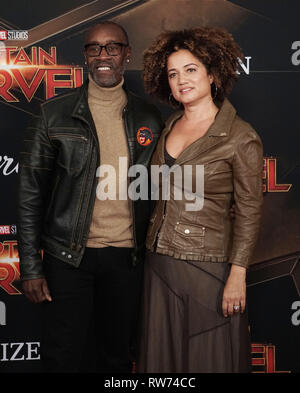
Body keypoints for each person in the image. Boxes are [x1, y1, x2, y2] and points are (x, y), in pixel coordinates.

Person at [17, 21, 163, 373]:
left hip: (126, 259)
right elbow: (30, 193)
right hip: (68, 257)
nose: (103, 55)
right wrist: (31, 266)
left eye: (112, 47)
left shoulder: (150, 116)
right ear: (85, 56)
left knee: (115, 357)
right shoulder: (53, 114)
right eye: (94, 48)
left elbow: (159, 188)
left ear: (127, 54)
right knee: (64, 356)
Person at [138, 27, 264, 373]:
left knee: (210, 359)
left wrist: (237, 276)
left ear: (212, 73)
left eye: (191, 69)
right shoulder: (170, 124)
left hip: (208, 267)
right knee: (163, 363)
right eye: (173, 73)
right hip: (159, 263)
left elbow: (250, 210)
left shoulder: (240, 136)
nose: (181, 80)